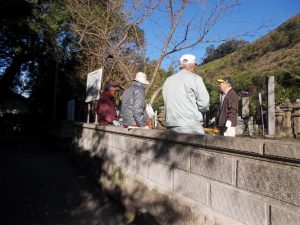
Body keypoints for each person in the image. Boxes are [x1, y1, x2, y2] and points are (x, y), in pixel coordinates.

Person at [162, 54, 210, 134]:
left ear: (181, 66)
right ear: (192, 65)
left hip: (171, 124)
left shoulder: (168, 80)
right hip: (191, 124)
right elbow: (204, 103)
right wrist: (200, 111)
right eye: (195, 65)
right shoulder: (195, 78)